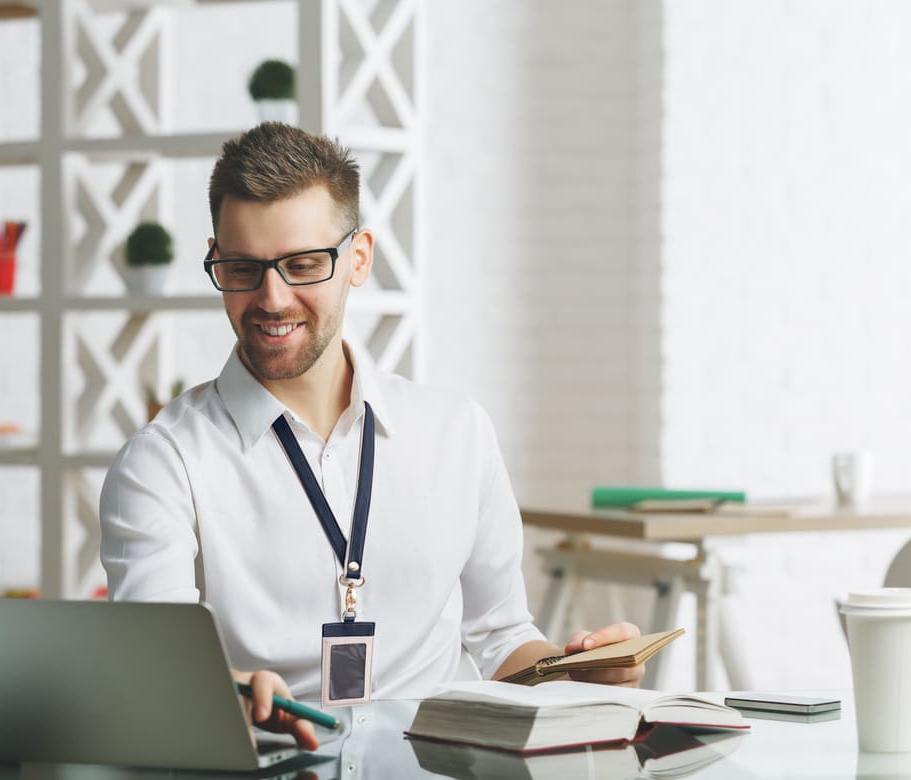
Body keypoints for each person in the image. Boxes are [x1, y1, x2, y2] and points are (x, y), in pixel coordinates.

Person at [99, 122, 643, 751]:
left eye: (302, 265)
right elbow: (160, 667)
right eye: (243, 269)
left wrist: (577, 674)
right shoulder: (162, 462)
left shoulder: (457, 432)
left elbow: (502, 640)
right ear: (216, 258)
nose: (271, 299)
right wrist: (228, 690)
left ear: (357, 258)